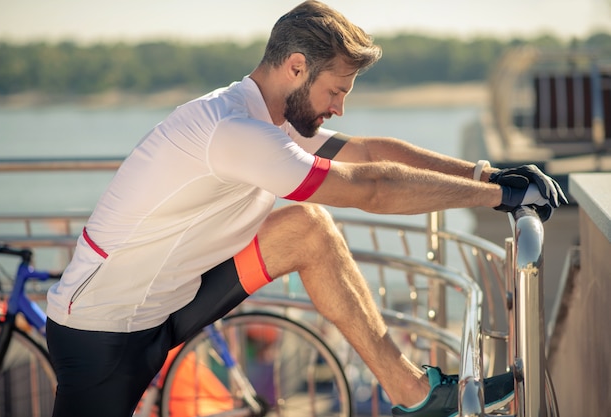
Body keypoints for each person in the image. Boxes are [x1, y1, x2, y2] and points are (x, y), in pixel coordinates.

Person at [45, 1, 568, 416]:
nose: (340, 106)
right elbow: (373, 189)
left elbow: (368, 154)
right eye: (336, 90)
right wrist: (500, 198)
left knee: (306, 229)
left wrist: (488, 174)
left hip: (169, 305)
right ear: (297, 67)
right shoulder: (236, 131)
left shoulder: (274, 116)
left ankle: (415, 394)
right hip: (103, 332)